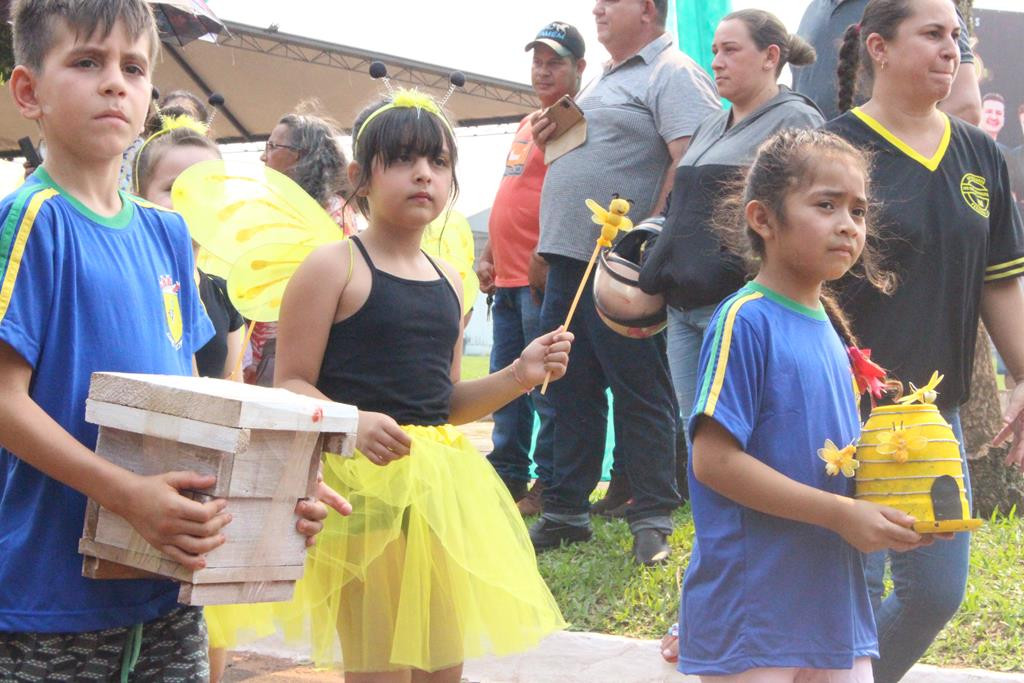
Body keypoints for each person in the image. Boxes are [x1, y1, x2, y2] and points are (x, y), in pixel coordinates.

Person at [0, 1, 334, 679]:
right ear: (28, 90)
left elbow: (191, 405)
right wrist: (127, 493)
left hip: (170, 585)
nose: (114, 82)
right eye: (86, 62)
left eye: (133, 66)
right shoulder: (29, 220)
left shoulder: (168, 234)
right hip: (51, 595)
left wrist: (280, 483)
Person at [271, 90, 572, 681]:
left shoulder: (450, 280)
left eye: (437, 162)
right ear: (360, 176)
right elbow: (289, 384)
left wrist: (519, 374)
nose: (423, 175)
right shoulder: (334, 267)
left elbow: (444, 404)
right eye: (403, 159)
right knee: (379, 664)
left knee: (441, 667)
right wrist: (350, 421)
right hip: (362, 495)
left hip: (439, 494)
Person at [680, 127, 931, 682]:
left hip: (833, 611)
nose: (848, 224)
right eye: (826, 204)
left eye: (859, 211)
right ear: (763, 219)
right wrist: (843, 515)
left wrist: (898, 514)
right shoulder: (745, 320)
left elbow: (831, 470)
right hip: (757, 614)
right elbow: (714, 461)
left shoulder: (832, 333)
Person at [828, 0, 1024, 680]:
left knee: (938, 592)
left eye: (958, 37)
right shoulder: (833, 150)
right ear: (879, 49)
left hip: (931, 420)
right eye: (934, 34)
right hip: (840, 419)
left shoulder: (979, 156)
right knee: (845, 593)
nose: (953, 50)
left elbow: (999, 281)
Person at [638, 8, 824, 662]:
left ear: (772, 57)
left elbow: (807, 222)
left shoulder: (796, 122)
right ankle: (707, 610)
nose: (715, 61)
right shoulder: (717, 122)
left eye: (729, 50)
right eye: (713, 50)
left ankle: (759, 606)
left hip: (744, 319)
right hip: (688, 316)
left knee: (749, 461)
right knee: (707, 463)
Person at [531, 0, 720, 565]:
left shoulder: (673, 72)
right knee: (567, 386)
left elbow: (692, 164)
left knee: (640, 388)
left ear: (646, 8)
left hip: (622, 267)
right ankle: (566, 512)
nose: (597, 8)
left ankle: (652, 516)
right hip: (570, 260)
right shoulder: (603, 80)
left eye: (610, 2)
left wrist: (649, 243)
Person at [475, 21, 586, 514]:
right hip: (506, 278)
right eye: (538, 61)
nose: (543, 70)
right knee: (503, 384)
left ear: (579, 69)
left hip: (541, 279)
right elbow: (511, 195)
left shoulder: (573, 122)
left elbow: (569, 195)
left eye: (555, 62)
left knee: (545, 388)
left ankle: (548, 483)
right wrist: (488, 255)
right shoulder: (528, 123)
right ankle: (506, 476)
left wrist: (545, 251)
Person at [249, 107, 355, 386]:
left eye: (272, 146)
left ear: (300, 155)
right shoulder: (270, 210)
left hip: (297, 352)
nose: (263, 156)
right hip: (260, 351)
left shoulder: (334, 215)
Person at [792, 0, 981, 125]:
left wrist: (897, 166)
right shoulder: (815, 9)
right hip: (813, 173)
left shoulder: (918, 5)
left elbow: (964, 108)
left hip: (875, 175)